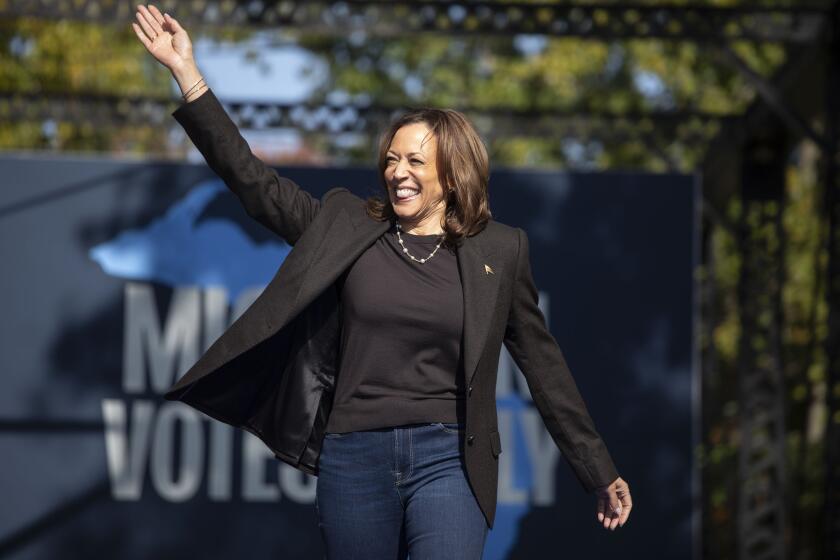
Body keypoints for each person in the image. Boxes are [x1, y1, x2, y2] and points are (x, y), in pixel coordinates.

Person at [131, 4, 633, 558]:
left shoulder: (500, 250)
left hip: (450, 459)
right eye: (391, 160)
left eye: (415, 161)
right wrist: (189, 77)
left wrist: (597, 468)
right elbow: (255, 185)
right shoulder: (348, 224)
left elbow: (544, 364)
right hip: (353, 457)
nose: (398, 172)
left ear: (452, 172)